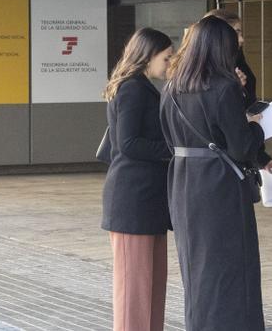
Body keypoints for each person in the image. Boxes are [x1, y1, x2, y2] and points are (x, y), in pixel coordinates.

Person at [162, 16, 272, 330]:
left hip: (183, 182)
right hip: (220, 187)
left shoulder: (172, 86)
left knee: (196, 268)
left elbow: (167, 135)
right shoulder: (224, 86)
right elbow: (240, 147)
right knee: (231, 268)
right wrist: (255, 126)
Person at [101, 28, 174, 331]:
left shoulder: (144, 87)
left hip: (148, 202)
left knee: (152, 288)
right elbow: (128, 142)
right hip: (132, 201)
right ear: (148, 55)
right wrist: (173, 150)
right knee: (134, 293)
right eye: (167, 57)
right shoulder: (132, 88)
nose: (170, 63)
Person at [205, 8, 258, 109]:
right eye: (236, 33)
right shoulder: (198, 73)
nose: (242, 39)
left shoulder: (237, 60)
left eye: (240, 33)